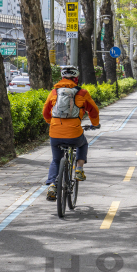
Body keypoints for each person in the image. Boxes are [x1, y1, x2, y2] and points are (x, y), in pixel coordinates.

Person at [42, 66, 100, 201]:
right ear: (76, 79)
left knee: (56, 160)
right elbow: (94, 110)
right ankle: (79, 169)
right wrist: (95, 124)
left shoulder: (54, 92)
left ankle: (52, 185)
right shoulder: (82, 93)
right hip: (74, 133)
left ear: (61, 78)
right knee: (83, 144)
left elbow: (46, 111)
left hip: (55, 133)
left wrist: (50, 121)